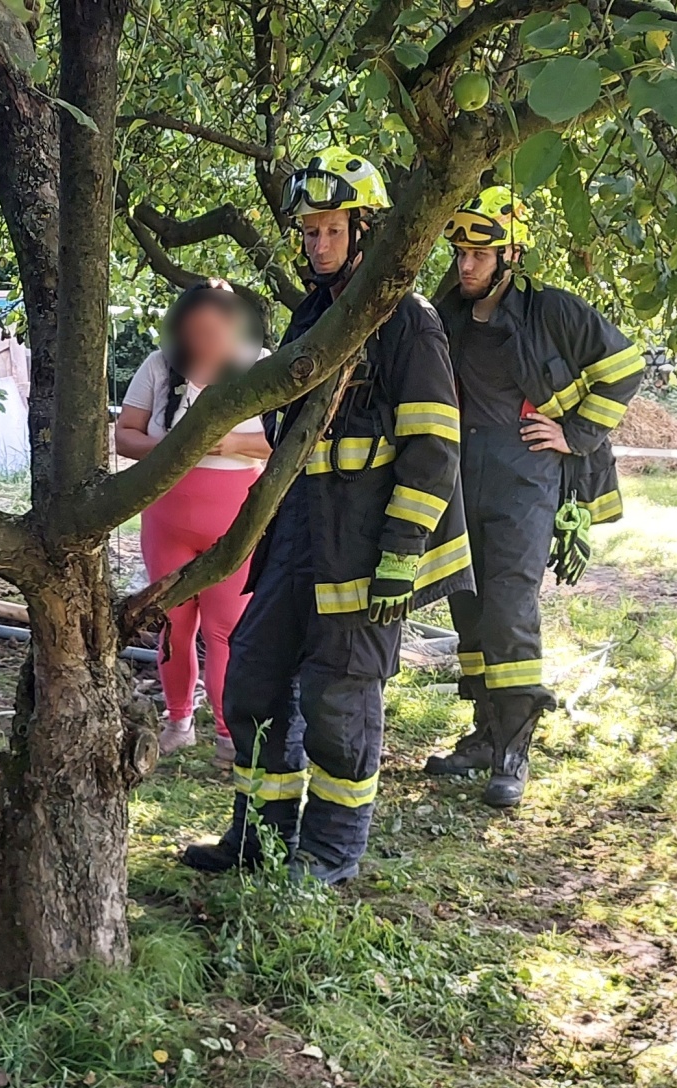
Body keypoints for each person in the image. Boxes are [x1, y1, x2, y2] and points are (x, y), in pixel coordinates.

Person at [181, 148, 470, 885]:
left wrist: (401, 553)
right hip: (299, 536)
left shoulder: (408, 322)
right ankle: (260, 837)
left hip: (365, 549)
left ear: (366, 230)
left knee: (339, 701)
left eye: (332, 230)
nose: (317, 245)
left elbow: (434, 449)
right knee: (253, 682)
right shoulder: (313, 315)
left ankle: (330, 852)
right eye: (310, 232)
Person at [429, 186, 642, 806]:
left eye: (480, 254)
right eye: (460, 253)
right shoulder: (445, 310)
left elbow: (624, 367)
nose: (467, 265)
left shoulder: (551, 310)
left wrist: (574, 435)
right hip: (460, 476)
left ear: (511, 255)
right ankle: (484, 734)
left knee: (509, 609)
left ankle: (514, 751)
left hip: (526, 479)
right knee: (468, 607)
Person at [115, 279, 273, 758]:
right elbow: (125, 435)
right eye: (194, 331)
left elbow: (288, 440)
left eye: (213, 331)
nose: (203, 341)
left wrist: (231, 443)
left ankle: (229, 732)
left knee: (226, 629)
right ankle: (179, 719)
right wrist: (171, 447)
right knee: (174, 624)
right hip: (167, 519)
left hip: (236, 519)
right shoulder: (159, 365)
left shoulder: (262, 366)